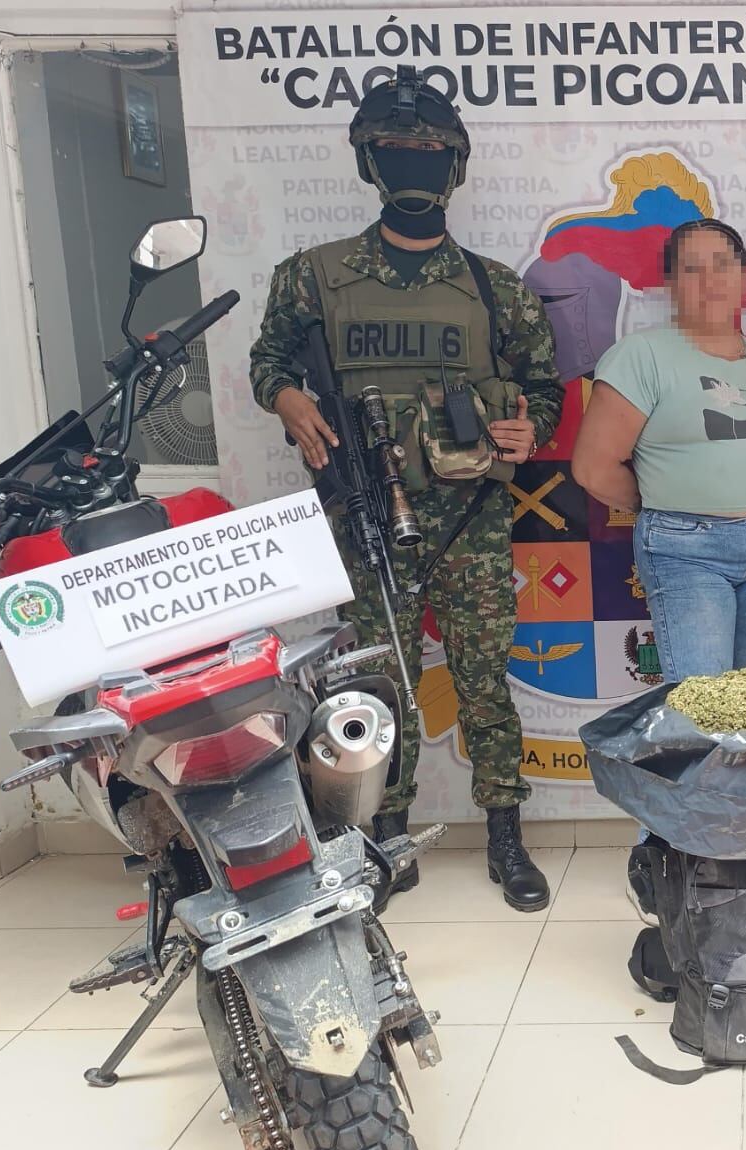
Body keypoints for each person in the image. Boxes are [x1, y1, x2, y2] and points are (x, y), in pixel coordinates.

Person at [249, 68, 564, 913]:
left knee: (483, 677)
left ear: (454, 166)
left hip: (471, 514)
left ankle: (504, 830)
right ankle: (386, 834)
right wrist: (287, 399)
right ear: (369, 163)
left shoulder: (496, 287)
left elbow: (545, 385)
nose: (414, 165)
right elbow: (268, 362)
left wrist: (528, 425)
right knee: (381, 681)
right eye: (398, 151)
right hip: (365, 517)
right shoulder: (312, 278)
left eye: (430, 151)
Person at [572, 219, 746, 682]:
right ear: (671, 283)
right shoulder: (642, 356)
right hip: (688, 553)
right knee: (703, 711)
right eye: (692, 268)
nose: (710, 281)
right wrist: (678, 504)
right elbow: (592, 468)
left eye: (723, 266)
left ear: (745, 278)